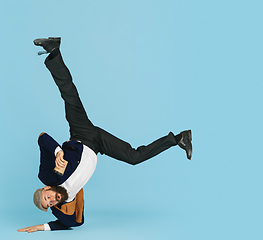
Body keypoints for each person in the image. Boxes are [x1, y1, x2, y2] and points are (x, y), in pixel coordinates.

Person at [17, 37, 193, 233]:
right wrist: (43, 227)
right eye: (48, 205)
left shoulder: (46, 175)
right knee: (134, 157)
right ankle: (179, 139)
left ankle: (53, 51)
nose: (50, 201)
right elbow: (75, 223)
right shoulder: (66, 200)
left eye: (46, 197)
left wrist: (58, 152)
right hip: (98, 145)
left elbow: (42, 138)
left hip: (80, 134)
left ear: (45, 189)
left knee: (69, 96)